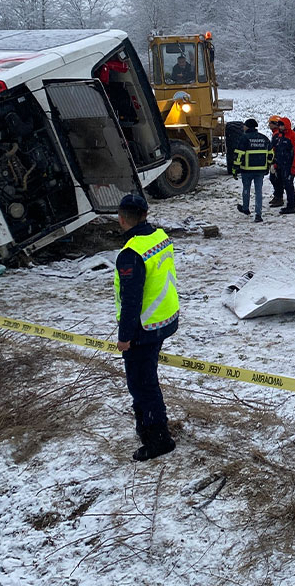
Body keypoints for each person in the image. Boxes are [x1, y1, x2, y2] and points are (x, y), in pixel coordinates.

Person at [114, 194, 178, 462]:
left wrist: (125, 337)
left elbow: (131, 300)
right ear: (144, 215)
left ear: (121, 218)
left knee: (142, 385)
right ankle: (147, 426)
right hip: (165, 320)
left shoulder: (131, 254)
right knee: (146, 380)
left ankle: (157, 439)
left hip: (144, 330)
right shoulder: (159, 237)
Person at [233, 118, 272, 222]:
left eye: (244, 125)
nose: (243, 127)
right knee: (258, 192)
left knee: (246, 189)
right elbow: (271, 154)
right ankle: (258, 214)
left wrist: (235, 168)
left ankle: (245, 208)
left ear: (247, 127)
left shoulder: (244, 138)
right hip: (260, 170)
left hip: (247, 170)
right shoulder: (264, 138)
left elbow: (239, 154)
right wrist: (268, 165)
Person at [268, 116, 295, 214]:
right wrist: (275, 164)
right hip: (281, 165)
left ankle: (291, 206)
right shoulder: (280, 136)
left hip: (288, 165)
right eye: (279, 125)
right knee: (282, 183)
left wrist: (294, 166)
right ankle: (284, 201)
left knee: (289, 185)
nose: (280, 127)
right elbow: (277, 151)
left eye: (282, 125)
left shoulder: (293, 136)